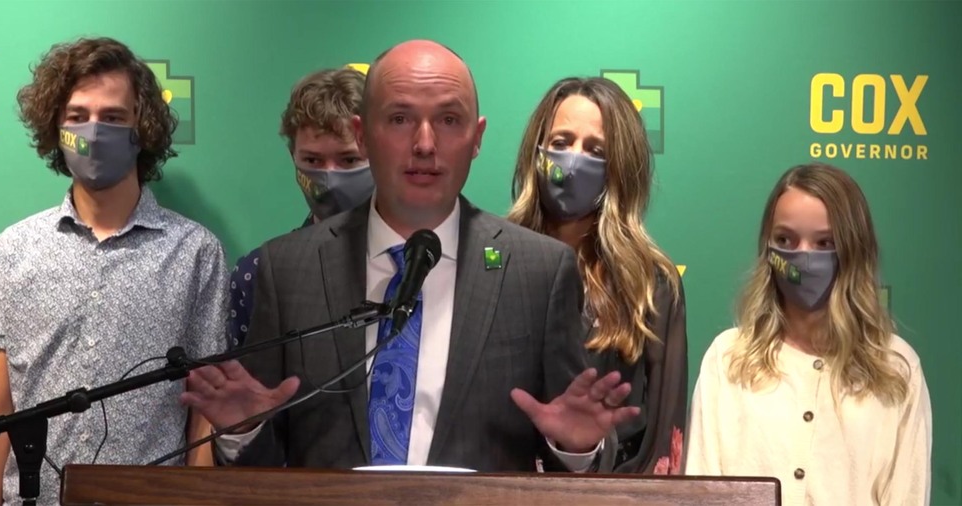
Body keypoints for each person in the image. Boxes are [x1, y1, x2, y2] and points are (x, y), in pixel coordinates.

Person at [182, 39, 640, 472]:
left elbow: (571, 444)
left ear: (477, 138)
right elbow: (259, 472)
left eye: (448, 120)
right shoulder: (288, 269)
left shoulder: (539, 271)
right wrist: (242, 431)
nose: (424, 143)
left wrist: (576, 446)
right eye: (400, 119)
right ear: (363, 135)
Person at [0, 37, 229, 505]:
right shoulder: (12, 250)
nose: (94, 131)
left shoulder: (196, 252)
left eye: (114, 117)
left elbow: (203, 419)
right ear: (55, 129)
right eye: (77, 116)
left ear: (143, 129)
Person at [685, 163, 932, 505]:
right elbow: (702, 489)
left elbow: (908, 493)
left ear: (853, 249)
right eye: (785, 239)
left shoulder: (896, 368)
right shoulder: (728, 358)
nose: (802, 257)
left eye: (824, 242)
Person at [507, 77, 687, 474]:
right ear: (536, 153)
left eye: (595, 149)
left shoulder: (651, 282)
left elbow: (661, 440)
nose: (573, 159)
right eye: (561, 142)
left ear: (619, 166)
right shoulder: (494, 259)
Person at [228, 67, 373, 348]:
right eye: (313, 161)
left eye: (349, 160)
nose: (330, 178)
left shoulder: (422, 260)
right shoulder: (258, 274)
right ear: (292, 155)